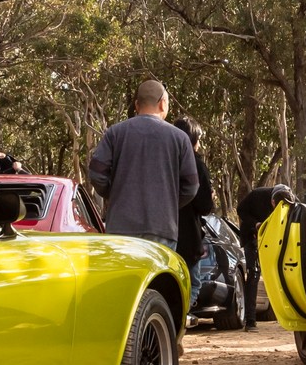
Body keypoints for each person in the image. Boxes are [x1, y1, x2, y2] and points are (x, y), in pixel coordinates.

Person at [86, 80, 199, 248]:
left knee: (123, 274)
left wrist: (116, 194)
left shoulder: (115, 133)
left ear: (137, 105)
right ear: (163, 104)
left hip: (120, 228)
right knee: (158, 274)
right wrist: (166, 202)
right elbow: (191, 186)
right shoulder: (180, 138)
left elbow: (96, 173)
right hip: (162, 229)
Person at [170, 117, 215, 274]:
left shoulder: (165, 161)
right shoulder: (196, 164)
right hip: (187, 236)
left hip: (162, 233)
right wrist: (210, 196)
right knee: (193, 285)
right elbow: (204, 205)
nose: (200, 145)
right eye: (199, 139)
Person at [235, 185, 281, 331]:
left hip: (274, 240)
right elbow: (240, 210)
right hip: (252, 238)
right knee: (253, 275)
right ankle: (250, 320)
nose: (274, 207)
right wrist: (255, 224)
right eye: (273, 203)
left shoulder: (292, 202)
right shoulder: (257, 195)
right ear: (271, 199)